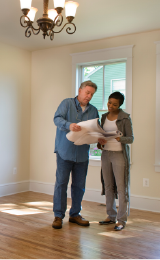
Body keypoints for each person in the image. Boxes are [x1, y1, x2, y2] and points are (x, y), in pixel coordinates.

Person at [52, 80, 100, 229]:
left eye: (92, 94)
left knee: (79, 186)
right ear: (80, 90)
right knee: (61, 184)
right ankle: (58, 216)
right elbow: (57, 118)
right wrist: (69, 125)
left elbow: (96, 129)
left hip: (82, 154)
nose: (89, 96)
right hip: (64, 152)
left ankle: (75, 214)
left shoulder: (93, 110)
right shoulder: (66, 103)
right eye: (87, 92)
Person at [97, 92, 134, 231]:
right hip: (106, 154)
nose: (110, 106)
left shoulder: (125, 118)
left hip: (119, 155)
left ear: (120, 105)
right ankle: (110, 216)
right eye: (109, 102)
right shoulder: (104, 117)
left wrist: (120, 138)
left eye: (114, 104)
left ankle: (121, 220)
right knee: (108, 186)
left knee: (121, 187)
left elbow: (131, 138)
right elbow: (101, 134)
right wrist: (100, 142)